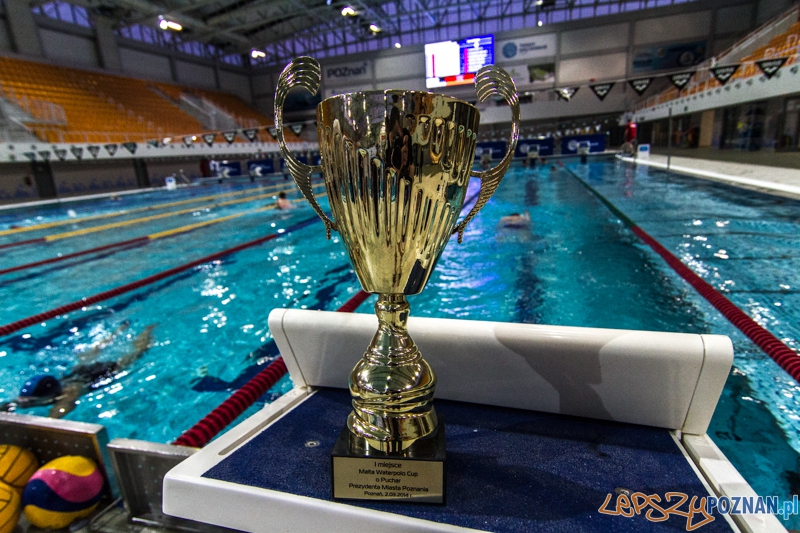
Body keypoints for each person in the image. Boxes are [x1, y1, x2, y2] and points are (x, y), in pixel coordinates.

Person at [1, 323, 156, 418]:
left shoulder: (69, 393)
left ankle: (147, 331)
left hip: (101, 373)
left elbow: (54, 418)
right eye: (22, 400)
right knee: (91, 354)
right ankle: (118, 330)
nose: (23, 404)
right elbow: (8, 405)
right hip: (77, 372)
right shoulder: (31, 397)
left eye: (30, 402)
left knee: (135, 355)